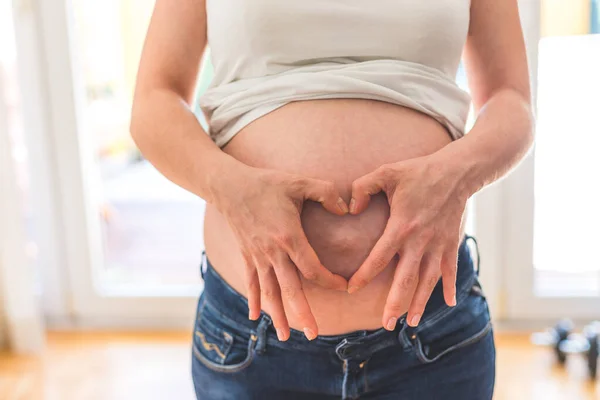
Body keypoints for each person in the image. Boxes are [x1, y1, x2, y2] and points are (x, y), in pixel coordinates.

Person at [130, 0, 534, 398]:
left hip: (431, 336)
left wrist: (453, 176)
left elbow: (510, 99)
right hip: (252, 341)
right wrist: (232, 188)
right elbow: (154, 101)